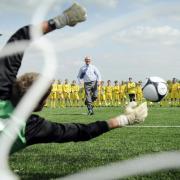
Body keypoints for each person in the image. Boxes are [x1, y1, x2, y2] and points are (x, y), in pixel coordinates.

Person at [0, 3, 148, 155]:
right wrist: (126, 119)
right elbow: (81, 132)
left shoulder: (2, 87)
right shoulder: (31, 128)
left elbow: (20, 37)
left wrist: (61, 19)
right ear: (38, 105)